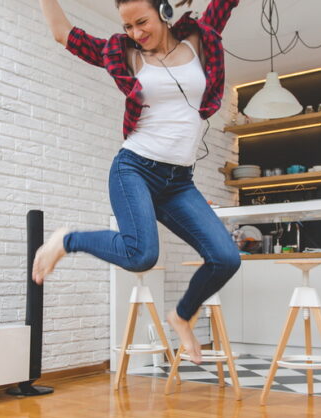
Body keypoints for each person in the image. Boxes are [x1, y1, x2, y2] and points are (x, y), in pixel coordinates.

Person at [34, 0, 242, 363]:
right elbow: (63, 34)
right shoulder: (123, 53)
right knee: (141, 254)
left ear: (163, 11)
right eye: (128, 26)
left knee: (226, 258)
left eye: (142, 22)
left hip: (179, 181)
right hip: (134, 169)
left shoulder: (199, 37)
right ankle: (66, 241)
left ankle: (181, 315)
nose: (136, 33)